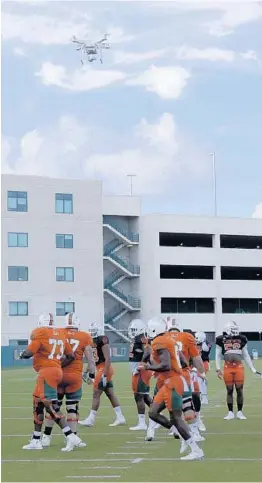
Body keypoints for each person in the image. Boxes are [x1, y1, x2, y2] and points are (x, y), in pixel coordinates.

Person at [139, 317, 204, 461]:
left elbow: (166, 365)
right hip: (171, 380)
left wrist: (148, 367)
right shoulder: (168, 339)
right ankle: (182, 434)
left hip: (173, 382)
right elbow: (182, 360)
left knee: (176, 417)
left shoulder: (159, 341)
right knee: (153, 412)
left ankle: (195, 449)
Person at [20, 313, 82, 451]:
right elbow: (71, 356)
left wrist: (22, 354)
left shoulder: (41, 333)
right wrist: (57, 365)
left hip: (46, 372)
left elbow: (28, 353)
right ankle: (36, 439)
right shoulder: (60, 333)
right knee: (38, 403)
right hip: (55, 370)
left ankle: (70, 435)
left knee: (51, 406)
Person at [42, 312, 95, 450]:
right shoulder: (84, 336)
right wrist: (92, 375)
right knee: (72, 408)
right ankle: (72, 438)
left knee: (54, 407)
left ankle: (46, 437)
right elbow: (90, 359)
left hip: (57, 374)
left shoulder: (59, 333)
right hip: (74, 377)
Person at [79, 322, 126, 427]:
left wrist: (104, 375)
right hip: (100, 368)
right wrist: (86, 371)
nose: (92, 333)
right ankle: (120, 417)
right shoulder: (91, 341)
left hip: (105, 369)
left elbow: (108, 359)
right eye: (91, 330)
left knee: (96, 393)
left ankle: (91, 419)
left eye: (94, 330)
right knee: (110, 393)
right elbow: (92, 360)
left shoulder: (102, 340)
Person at [167, 318, 207, 433]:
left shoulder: (163, 337)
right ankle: (184, 424)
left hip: (177, 371)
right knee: (191, 396)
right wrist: (202, 372)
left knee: (176, 398)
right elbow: (196, 357)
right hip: (183, 371)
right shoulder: (186, 336)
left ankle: (194, 420)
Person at [216, 321, 261, 420]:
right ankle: (230, 412)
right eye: (233, 329)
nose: (235, 331)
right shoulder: (221, 339)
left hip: (238, 367)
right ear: (228, 329)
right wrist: (218, 368)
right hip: (227, 367)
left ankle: (240, 412)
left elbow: (245, 355)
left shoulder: (241, 339)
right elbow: (218, 354)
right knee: (229, 390)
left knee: (239, 389)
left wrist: (252, 368)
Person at [128, 319, 153, 431]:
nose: (132, 331)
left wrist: (140, 365)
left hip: (141, 370)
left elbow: (148, 351)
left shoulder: (142, 338)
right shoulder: (137, 338)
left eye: (134, 329)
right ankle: (157, 416)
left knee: (139, 396)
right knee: (145, 397)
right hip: (140, 369)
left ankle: (142, 423)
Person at [195, 331, 212, 405]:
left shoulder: (206, 344)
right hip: (196, 364)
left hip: (203, 363)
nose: (195, 339)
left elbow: (206, 349)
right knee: (200, 381)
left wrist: (202, 342)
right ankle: (204, 398)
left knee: (199, 380)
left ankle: (204, 398)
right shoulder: (194, 343)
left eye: (196, 338)